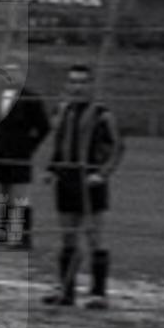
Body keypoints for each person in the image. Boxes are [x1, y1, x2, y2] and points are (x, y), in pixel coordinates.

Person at [44, 63, 123, 309]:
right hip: (66, 180)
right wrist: (52, 169)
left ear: (90, 85)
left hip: (90, 181)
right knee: (68, 236)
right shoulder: (62, 110)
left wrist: (102, 174)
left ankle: (98, 293)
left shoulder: (102, 114)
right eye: (73, 82)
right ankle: (66, 290)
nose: (77, 87)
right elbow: (59, 145)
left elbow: (117, 147)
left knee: (94, 236)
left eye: (82, 82)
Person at [0, 60, 52, 249]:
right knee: (4, 193)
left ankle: (25, 236)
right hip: (3, 154)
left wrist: (29, 146)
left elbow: (44, 127)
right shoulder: (0, 96)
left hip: (20, 155)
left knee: (21, 195)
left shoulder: (31, 99)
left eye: (13, 73)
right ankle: (3, 231)